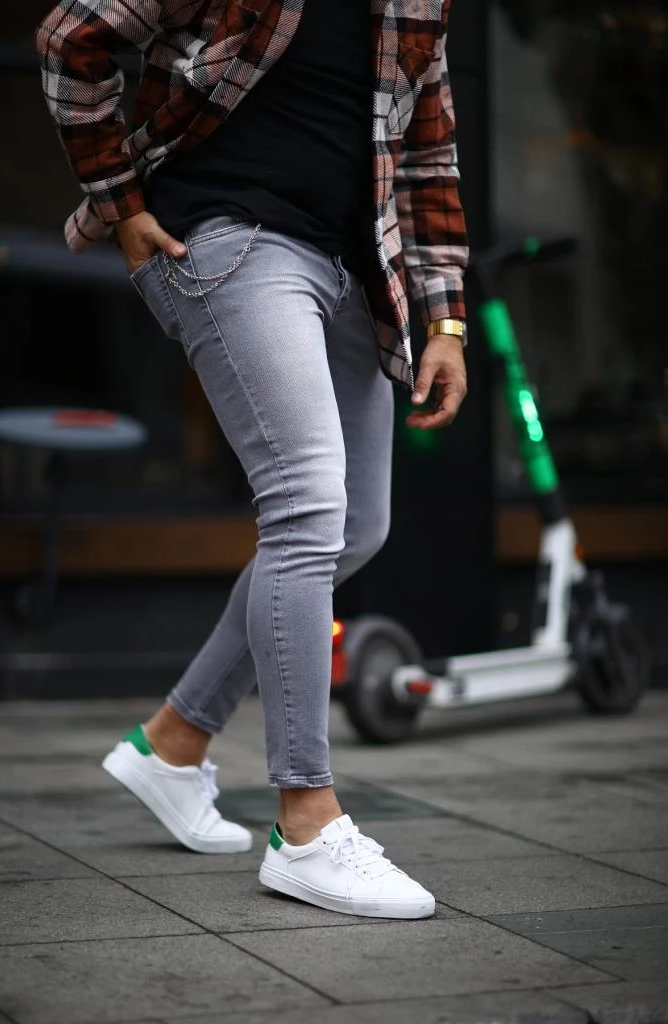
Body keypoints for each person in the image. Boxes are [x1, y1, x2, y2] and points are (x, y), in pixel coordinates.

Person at [35, 0, 469, 920]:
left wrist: (447, 321)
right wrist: (120, 204)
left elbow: (428, 158)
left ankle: (174, 742)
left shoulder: (419, 4)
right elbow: (71, 37)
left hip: (354, 270)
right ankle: (306, 824)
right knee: (307, 508)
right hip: (228, 238)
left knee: (358, 525)